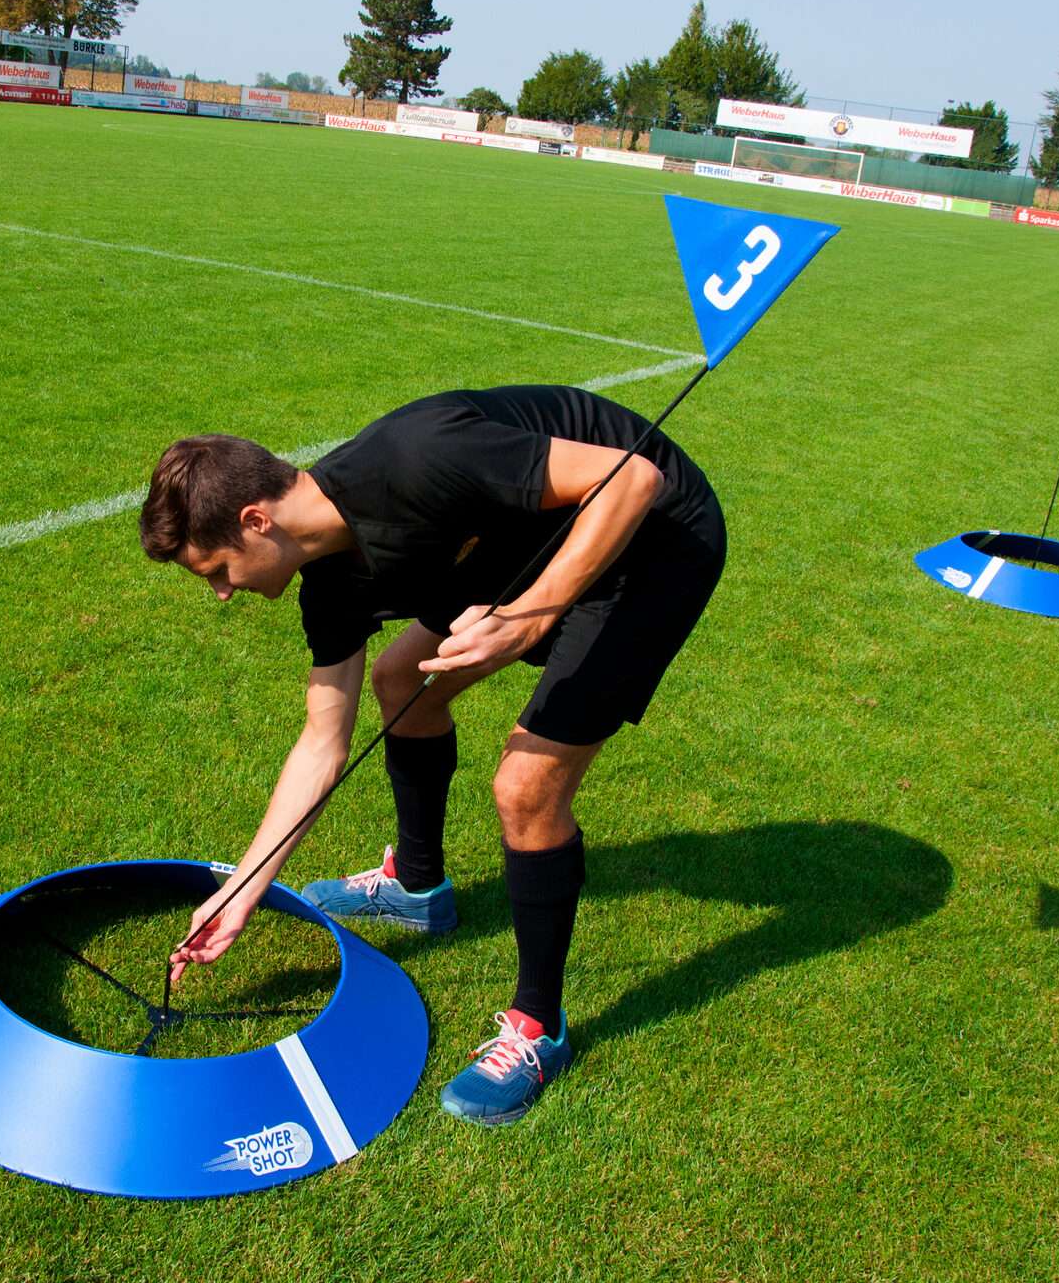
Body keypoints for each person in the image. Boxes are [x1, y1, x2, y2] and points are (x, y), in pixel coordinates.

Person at [139, 384, 725, 1125]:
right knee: (397, 681)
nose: (221, 594)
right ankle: (419, 891)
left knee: (525, 788)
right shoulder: (330, 582)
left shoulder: (417, 461)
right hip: (533, 536)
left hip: (655, 537)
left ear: (256, 521)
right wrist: (243, 889)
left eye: (217, 570)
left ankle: (539, 1028)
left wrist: (525, 616)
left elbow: (634, 477)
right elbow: (323, 744)